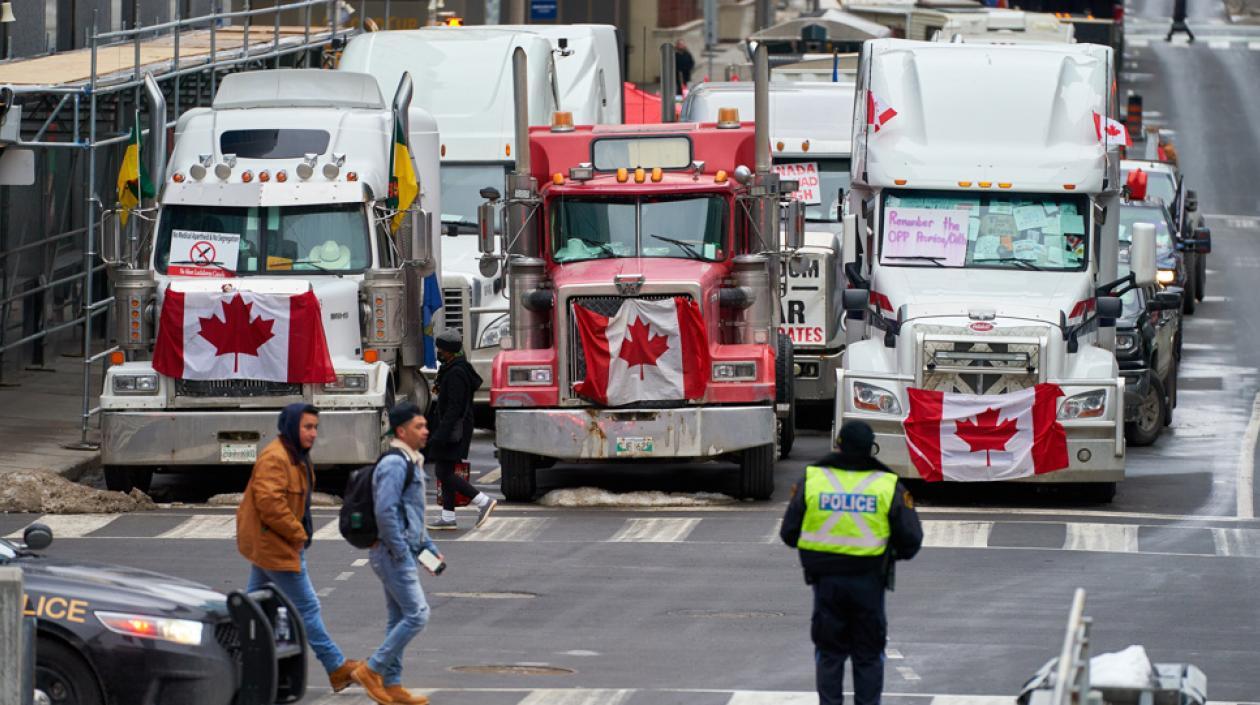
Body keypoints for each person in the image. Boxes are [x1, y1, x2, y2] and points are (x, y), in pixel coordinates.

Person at [779, 421, 923, 705]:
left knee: (829, 654)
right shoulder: (887, 483)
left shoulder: (814, 478)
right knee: (868, 656)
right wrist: (888, 554)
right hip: (869, 583)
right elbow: (911, 540)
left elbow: (789, 533)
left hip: (826, 585)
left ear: (839, 444)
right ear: (871, 448)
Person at [236, 403, 361, 692]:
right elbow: (270, 504)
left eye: (316, 427)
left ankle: (232, 654)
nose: (313, 433)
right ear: (292, 426)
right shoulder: (276, 458)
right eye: (307, 427)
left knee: (254, 604)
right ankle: (336, 666)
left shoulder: (295, 456)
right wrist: (297, 533)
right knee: (307, 607)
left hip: (274, 542)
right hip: (276, 543)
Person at [351, 402, 439, 705]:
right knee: (418, 614)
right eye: (419, 426)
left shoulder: (410, 460)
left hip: (400, 550)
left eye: (425, 426)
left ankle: (392, 684)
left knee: (398, 617)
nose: (425, 431)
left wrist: (428, 547)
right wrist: (401, 550)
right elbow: (385, 510)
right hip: (391, 552)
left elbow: (411, 512)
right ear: (401, 431)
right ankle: (371, 669)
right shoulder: (395, 464)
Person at [425, 329, 497, 530]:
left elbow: (455, 407)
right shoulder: (454, 368)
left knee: (443, 471)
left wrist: (441, 433)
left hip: (453, 429)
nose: (438, 351)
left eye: (440, 348)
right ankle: (448, 517)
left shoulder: (456, 373)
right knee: (445, 470)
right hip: (455, 428)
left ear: (448, 351)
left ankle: (483, 501)